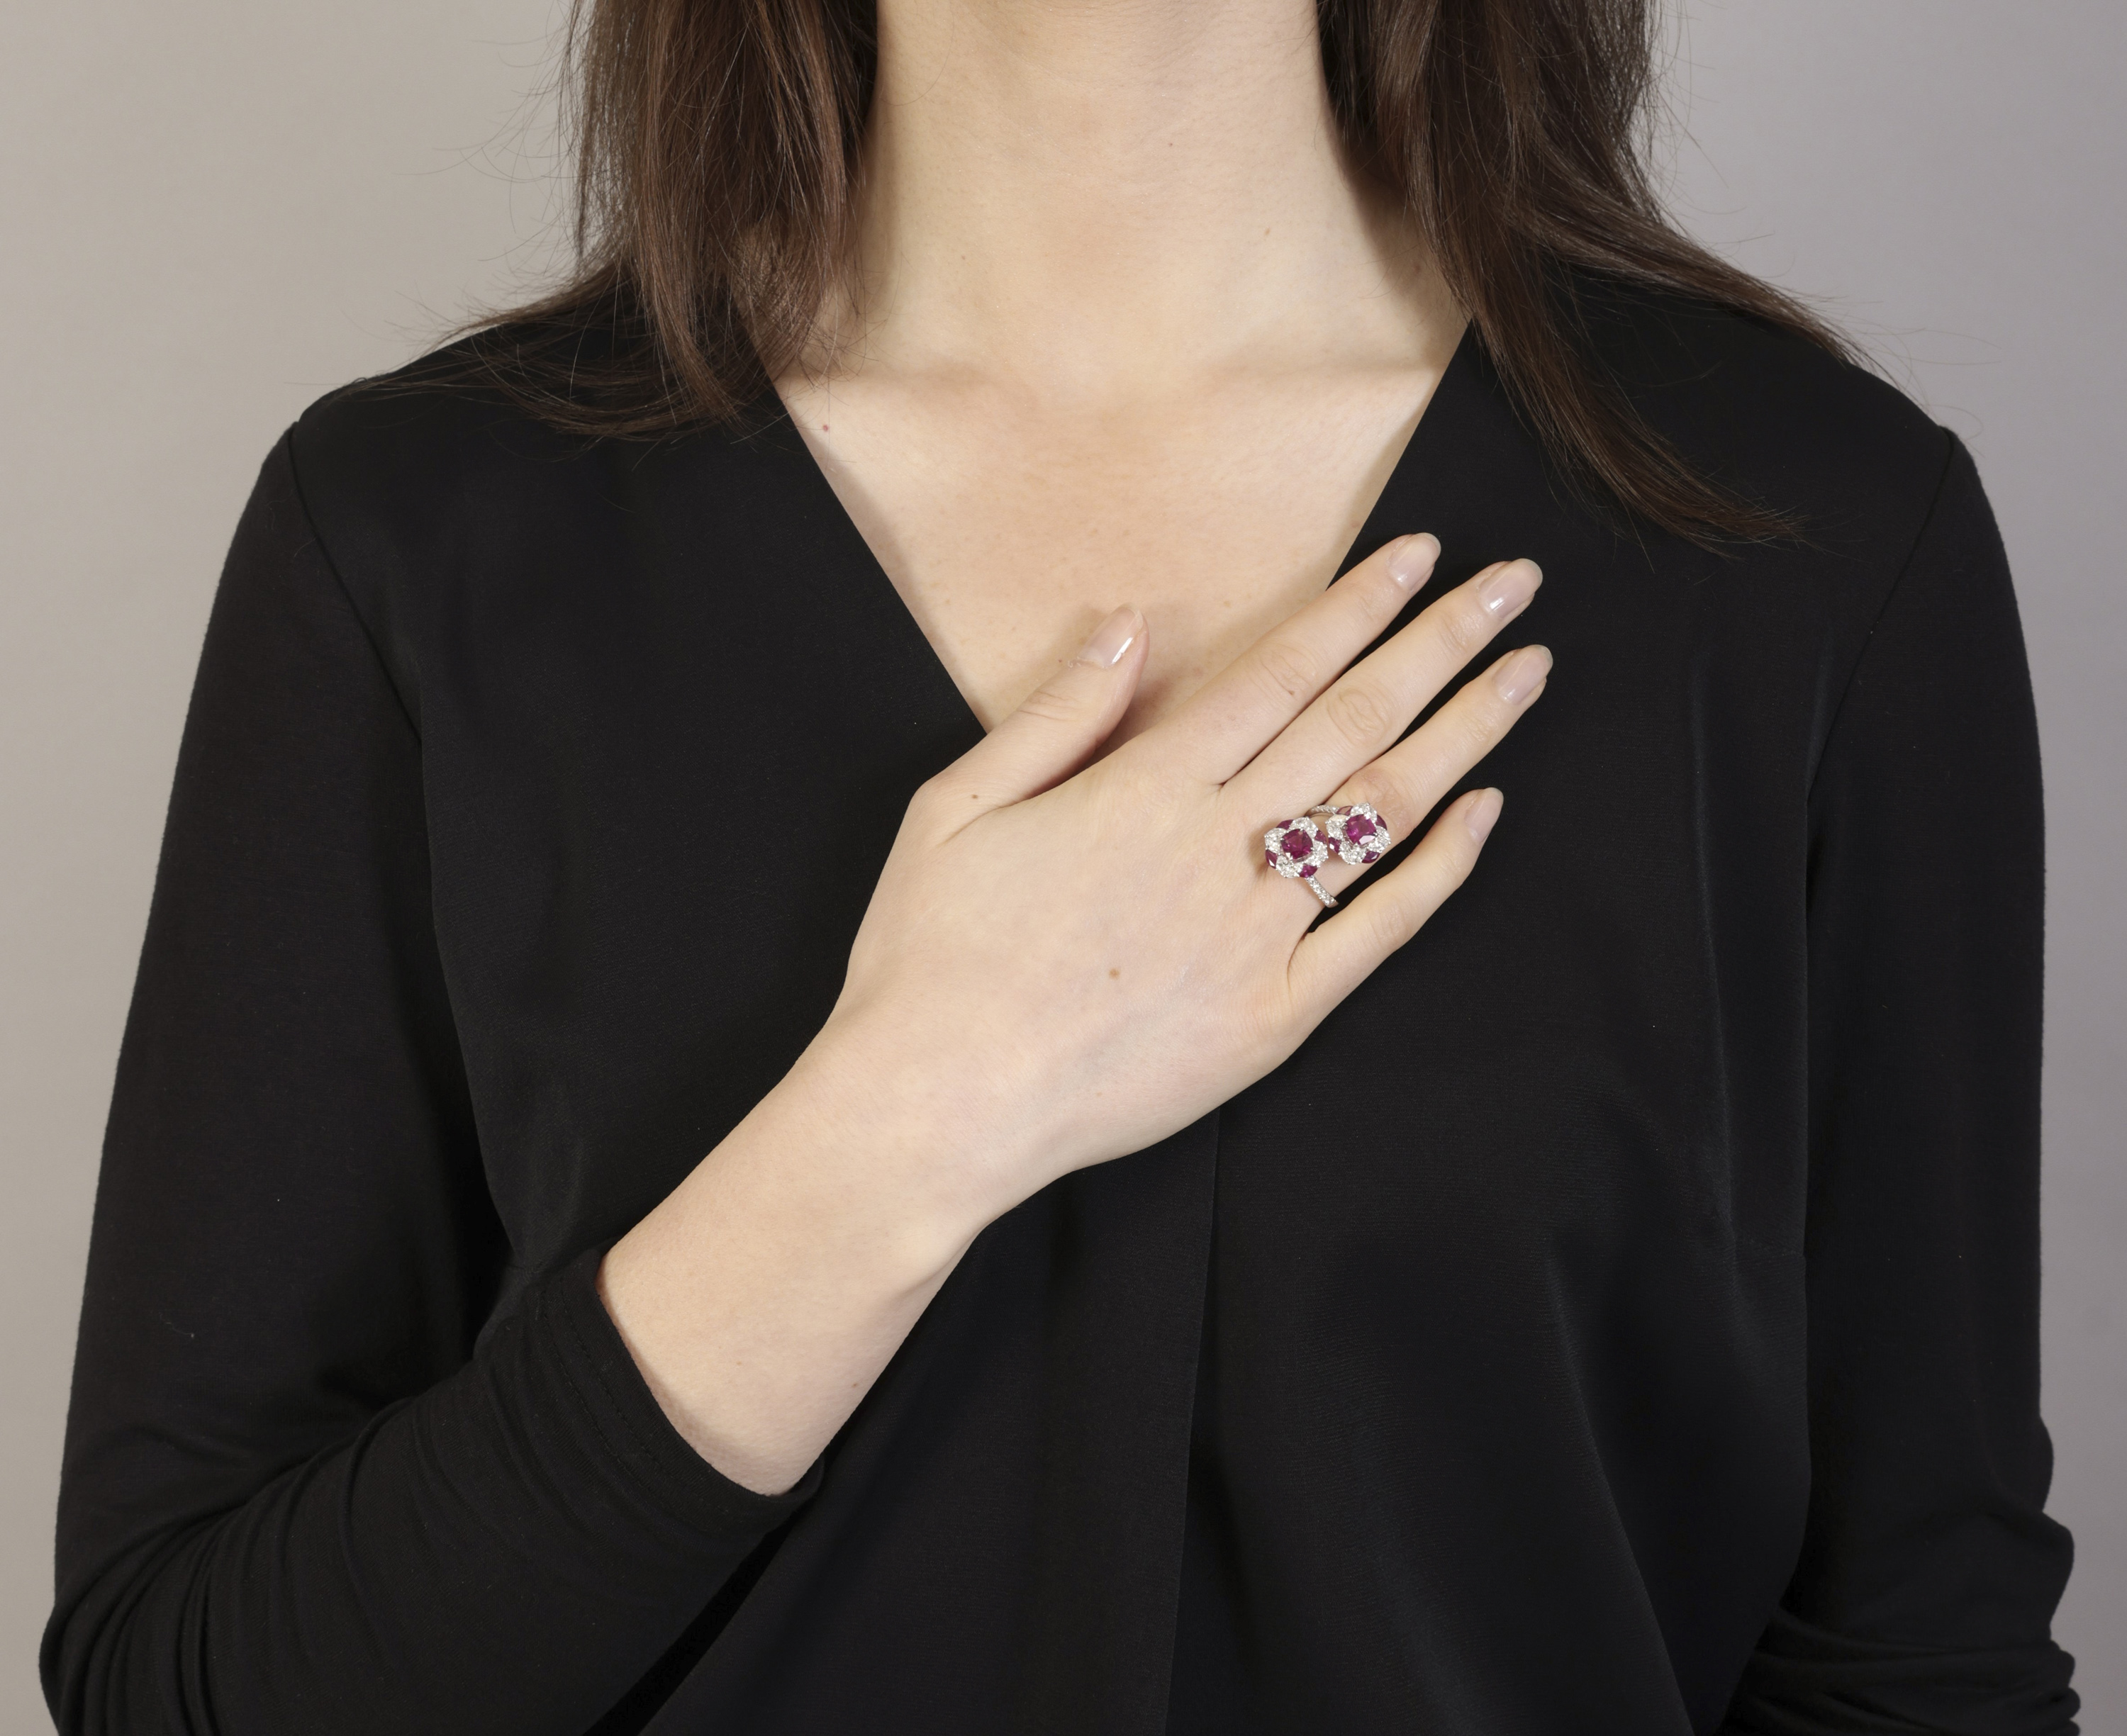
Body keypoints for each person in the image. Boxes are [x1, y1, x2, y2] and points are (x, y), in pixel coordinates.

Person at [43, 0, 2077, 1729]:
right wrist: (913, 1111)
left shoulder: (1809, 550)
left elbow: (1918, 1657)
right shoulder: (416, 543)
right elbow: (184, 1672)